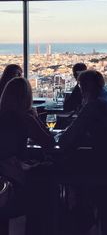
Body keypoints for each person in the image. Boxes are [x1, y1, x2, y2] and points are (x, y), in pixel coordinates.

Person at [0, 77, 56, 235]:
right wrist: (35, 117)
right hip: (12, 174)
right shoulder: (25, 118)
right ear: (27, 97)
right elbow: (48, 142)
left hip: (3, 174)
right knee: (44, 186)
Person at [59, 70, 107, 162]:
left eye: (80, 85)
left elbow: (68, 136)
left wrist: (59, 137)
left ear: (85, 86)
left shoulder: (95, 103)